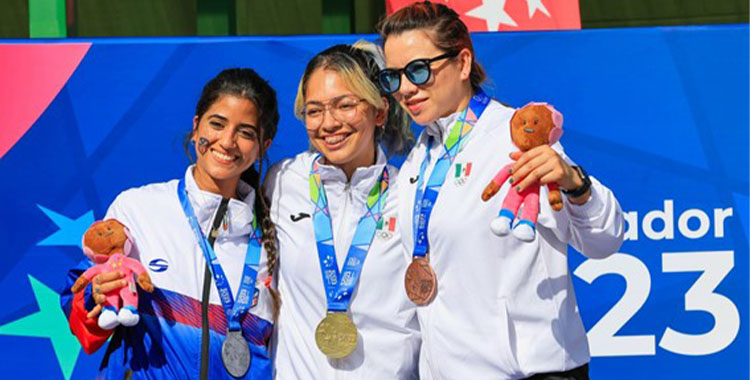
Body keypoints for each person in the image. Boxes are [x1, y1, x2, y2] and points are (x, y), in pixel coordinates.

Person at [377, 2, 625, 379]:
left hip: (530, 372)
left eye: (418, 70)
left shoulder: (516, 133)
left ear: (462, 63)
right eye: (393, 77)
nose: (406, 89)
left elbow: (605, 240)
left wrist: (575, 184)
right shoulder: (418, 160)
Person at [60, 68, 280, 380]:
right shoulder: (138, 209)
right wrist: (93, 297)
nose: (227, 141)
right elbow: (80, 312)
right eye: (216, 124)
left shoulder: (273, 235)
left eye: (245, 133)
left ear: (263, 145)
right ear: (195, 126)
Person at [265, 41, 420, 379]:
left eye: (344, 105)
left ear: (379, 111)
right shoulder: (282, 182)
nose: (329, 123)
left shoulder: (410, 191)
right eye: (314, 110)